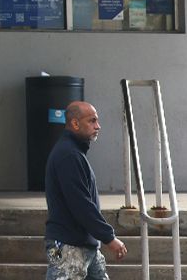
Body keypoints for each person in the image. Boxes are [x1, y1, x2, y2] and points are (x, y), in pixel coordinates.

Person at [44, 101, 127, 280]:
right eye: (92, 121)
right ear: (75, 123)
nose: (98, 126)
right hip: (68, 247)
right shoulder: (69, 155)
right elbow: (81, 204)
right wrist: (109, 238)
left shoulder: (74, 153)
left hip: (84, 245)